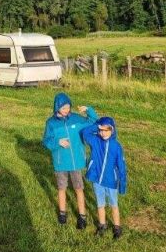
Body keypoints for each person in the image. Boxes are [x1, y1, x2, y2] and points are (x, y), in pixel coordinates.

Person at [42, 92, 98, 229]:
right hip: (60, 163)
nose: (67, 110)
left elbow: (93, 123)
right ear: (57, 108)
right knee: (62, 188)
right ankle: (62, 213)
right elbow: (46, 141)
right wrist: (58, 141)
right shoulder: (51, 123)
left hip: (76, 163)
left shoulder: (77, 119)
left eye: (68, 107)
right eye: (63, 108)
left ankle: (82, 216)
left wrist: (89, 110)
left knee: (79, 189)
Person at [80, 116, 127, 239]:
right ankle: (102, 225)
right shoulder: (95, 140)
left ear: (112, 130)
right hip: (97, 180)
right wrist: (97, 125)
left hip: (111, 181)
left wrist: (122, 183)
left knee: (113, 205)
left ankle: (117, 227)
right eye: (101, 130)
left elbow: (121, 165)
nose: (103, 132)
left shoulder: (116, 146)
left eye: (106, 130)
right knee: (100, 204)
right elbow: (84, 133)